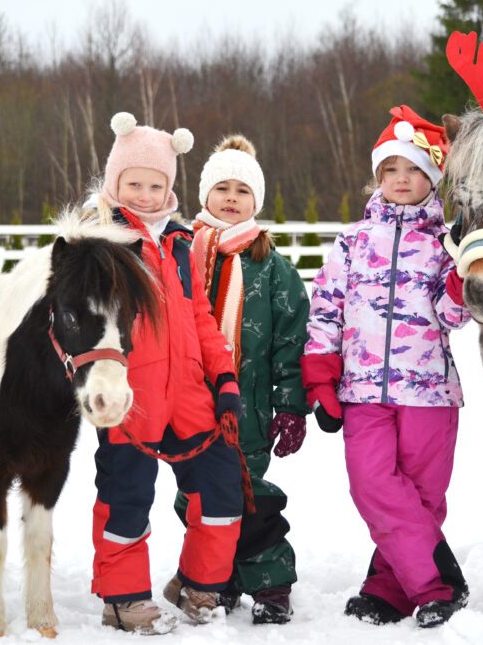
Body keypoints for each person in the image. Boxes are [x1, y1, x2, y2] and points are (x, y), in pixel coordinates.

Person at [301, 105, 472, 628]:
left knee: (421, 498)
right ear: (378, 177)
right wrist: (320, 377)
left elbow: (453, 316)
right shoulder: (353, 241)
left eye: (414, 170)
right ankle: (439, 583)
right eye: (391, 170)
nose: (402, 180)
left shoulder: (447, 243)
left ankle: (386, 589)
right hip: (361, 390)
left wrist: (463, 276)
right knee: (371, 484)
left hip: (430, 394)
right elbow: (326, 307)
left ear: (433, 178)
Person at [87, 112, 245, 634]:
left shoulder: (180, 244)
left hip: (191, 395)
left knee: (220, 493)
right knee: (126, 495)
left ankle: (198, 586)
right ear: (115, 183)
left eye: (156, 184)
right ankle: (122, 598)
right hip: (133, 397)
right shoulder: (102, 242)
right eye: (134, 183)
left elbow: (200, 318)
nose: (146, 194)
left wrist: (223, 380)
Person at [175, 134, 310, 625]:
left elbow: (291, 341)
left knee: (246, 492)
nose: (231, 198)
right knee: (193, 495)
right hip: (189, 403)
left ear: (257, 201)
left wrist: (292, 405)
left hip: (248, 408)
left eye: (243, 191)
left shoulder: (271, 268)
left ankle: (271, 582)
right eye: (222, 188)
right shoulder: (182, 255)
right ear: (204, 195)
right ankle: (223, 575)